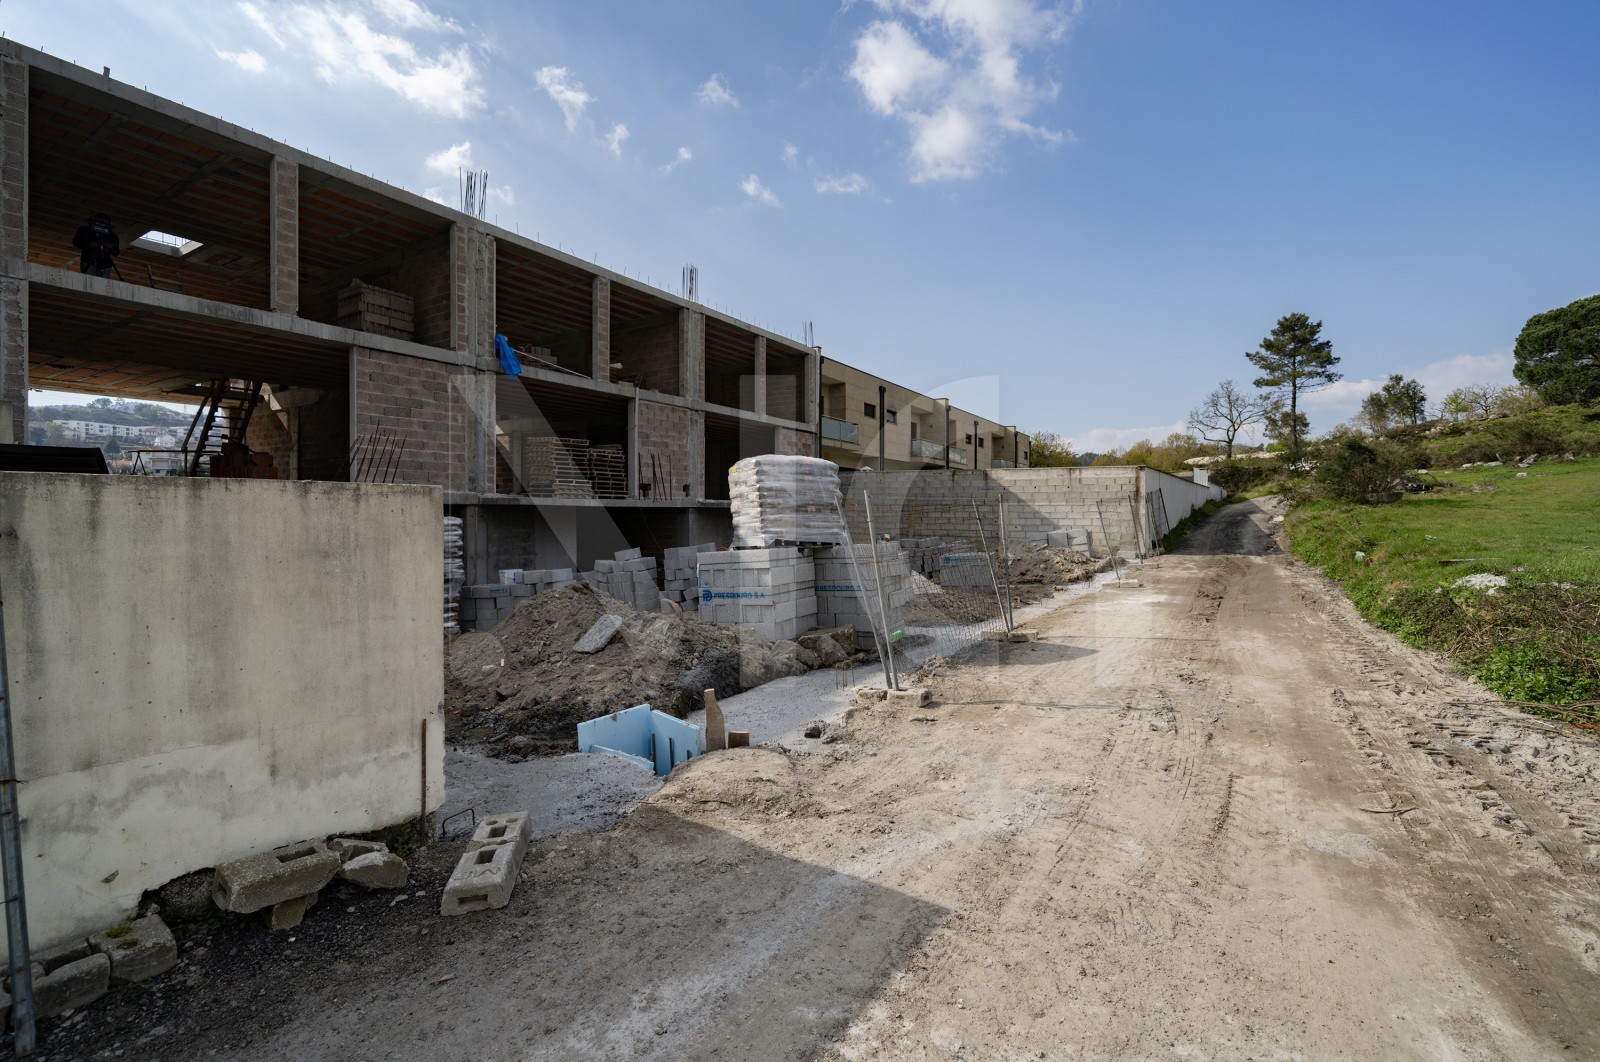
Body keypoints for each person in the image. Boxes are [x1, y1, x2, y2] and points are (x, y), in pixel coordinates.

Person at [73, 213, 120, 277]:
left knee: (103, 284)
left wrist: (111, 247)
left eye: (105, 224)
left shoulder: (112, 236)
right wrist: (89, 245)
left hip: (105, 264)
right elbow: (76, 243)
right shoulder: (85, 230)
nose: (102, 225)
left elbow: (116, 252)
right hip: (88, 260)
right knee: (88, 281)